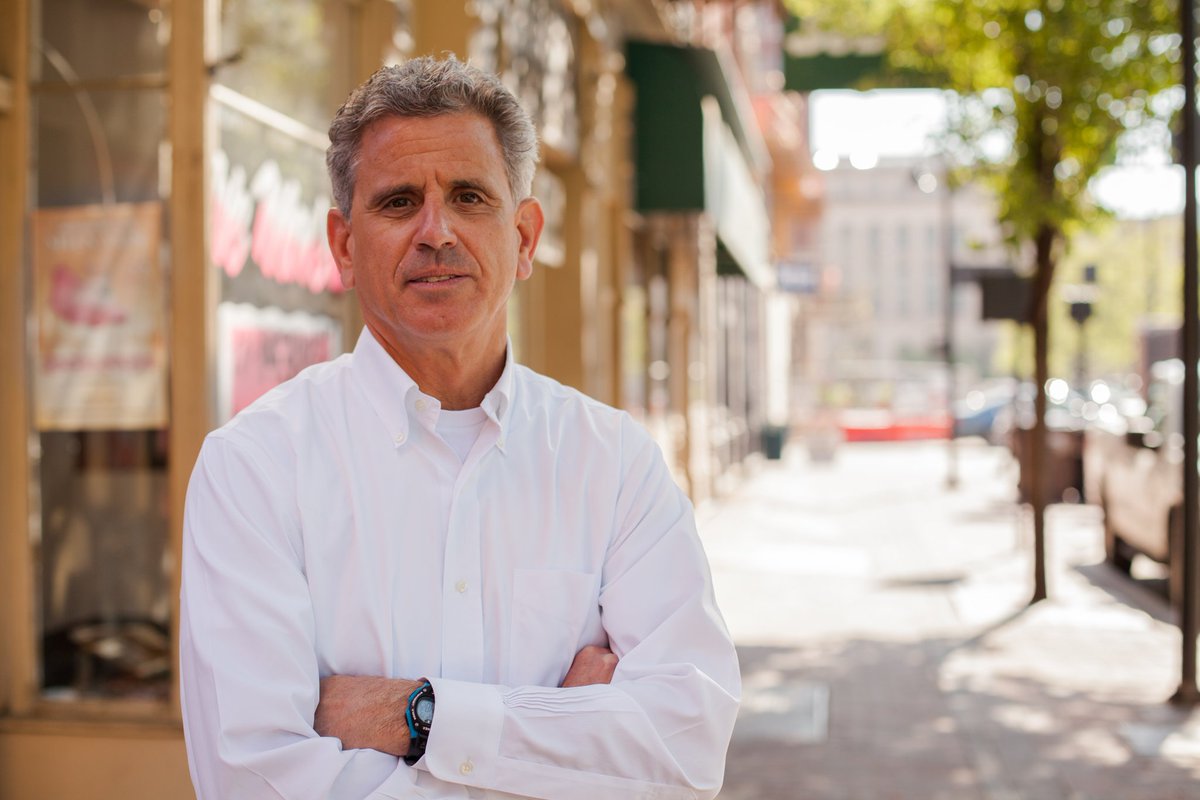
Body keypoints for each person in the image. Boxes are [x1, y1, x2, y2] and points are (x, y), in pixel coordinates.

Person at [179, 55, 740, 800]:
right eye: (399, 201)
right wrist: (566, 732)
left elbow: (685, 749)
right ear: (345, 245)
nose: (435, 231)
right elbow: (254, 778)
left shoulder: (613, 464)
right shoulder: (254, 470)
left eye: (470, 197)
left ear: (526, 237)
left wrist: (415, 715)